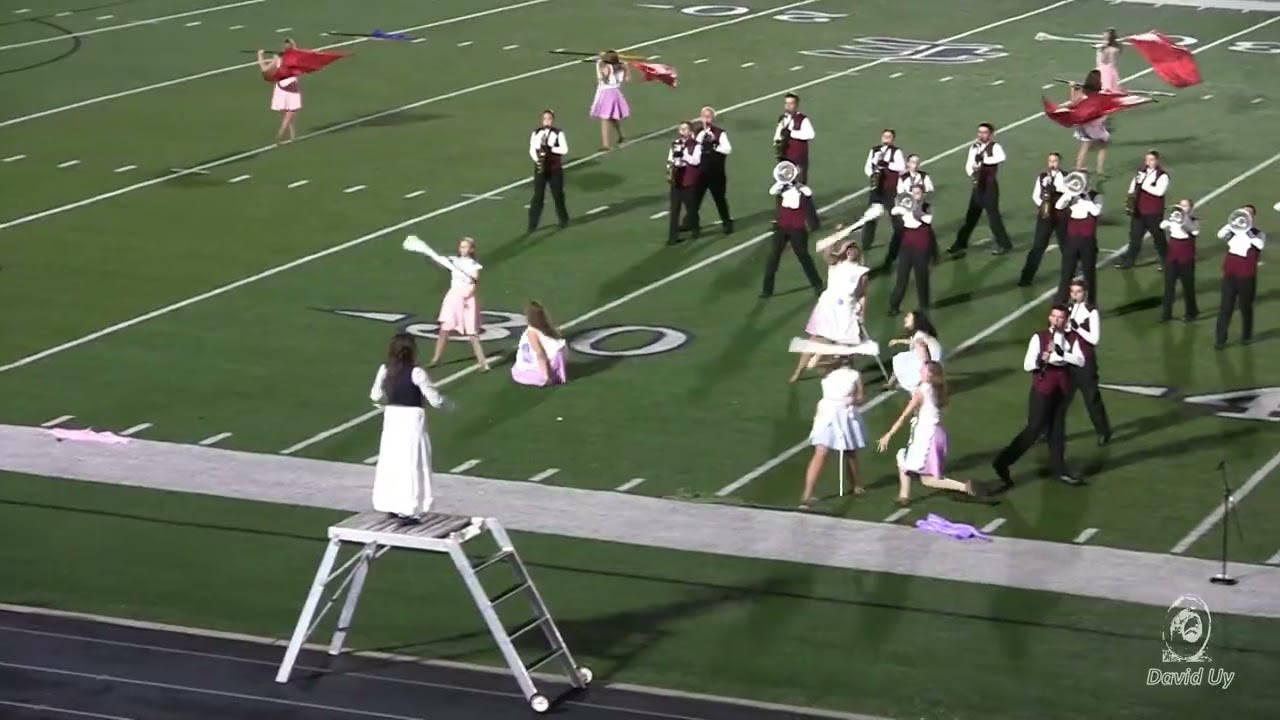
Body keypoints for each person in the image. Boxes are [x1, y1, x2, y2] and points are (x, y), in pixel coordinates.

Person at [992, 305, 1086, 490]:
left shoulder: (1072, 337)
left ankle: (1060, 470)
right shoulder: (1039, 337)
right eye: (1054, 317)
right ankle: (1002, 462)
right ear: (1050, 318)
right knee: (1034, 429)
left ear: (1066, 320)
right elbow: (1027, 365)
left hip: (1062, 387)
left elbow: (1080, 360)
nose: (1057, 320)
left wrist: (1062, 353)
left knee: (1058, 428)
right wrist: (1041, 360)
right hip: (1042, 388)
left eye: (1060, 317)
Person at [369, 333, 449, 521]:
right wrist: (446, 403)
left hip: (392, 419)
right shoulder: (417, 372)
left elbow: (375, 395)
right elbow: (435, 400)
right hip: (412, 420)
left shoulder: (385, 369)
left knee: (391, 461)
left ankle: (390, 504)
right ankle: (411, 507)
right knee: (412, 462)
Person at [878, 361, 977, 504]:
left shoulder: (922, 390)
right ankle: (904, 496)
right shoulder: (938, 388)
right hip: (937, 434)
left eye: (923, 370)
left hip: (926, 436)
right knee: (905, 461)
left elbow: (904, 415)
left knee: (927, 478)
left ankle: (964, 487)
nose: (920, 370)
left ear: (929, 374)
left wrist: (888, 435)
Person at [790, 239, 868, 382]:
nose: (850, 251)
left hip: (847, 310)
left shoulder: (862, 272)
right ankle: (799, 370)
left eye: (853, 249)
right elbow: (825, 252)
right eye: (848, 249)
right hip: (828, 308)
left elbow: (862, 295)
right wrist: (837, 242)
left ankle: (846, 373)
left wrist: (862, 314)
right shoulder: (836, 264)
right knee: (815, 340)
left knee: (846, 345)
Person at [801, 356, 867, 506]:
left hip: (842, 413)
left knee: (845, 451)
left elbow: (860, 398)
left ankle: (856, 485)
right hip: (829, 413)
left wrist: (852, 401)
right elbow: (861, 398)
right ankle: (808, 494)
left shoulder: (851, 374)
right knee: (832, 452)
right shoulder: (830, 371)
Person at [948, 122, 1012, 256]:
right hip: (978, 186)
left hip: (990, 187)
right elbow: (969, 164)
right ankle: (960, 243)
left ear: (990, 134)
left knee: (993, 217)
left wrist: (984, 159)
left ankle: (1004, 244)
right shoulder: (974, 147)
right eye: (980, 132)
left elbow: (1001, 158)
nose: (981, 134)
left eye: (984, 132)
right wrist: (972, 174)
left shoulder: (995, 147)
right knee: (971, 217)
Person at [429, 237, 489, 371]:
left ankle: (482, 362)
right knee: (445, 328)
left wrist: (468, 295)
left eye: (465, 247)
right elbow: (440, 262)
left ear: (471, 249)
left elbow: (475, 282)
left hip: (467, 299)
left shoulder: (474, 265)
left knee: (472, 333)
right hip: (453, 297)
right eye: (461, 247)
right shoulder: (454, 261)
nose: (462, 249)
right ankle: (436, 358)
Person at [761, 169, 824, 298]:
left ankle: (817, 284)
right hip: (782, 226)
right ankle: (767, 289)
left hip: (797, 229)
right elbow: (772, 191)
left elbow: (798, 202)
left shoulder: (803, 189)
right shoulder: (782, 186)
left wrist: (796, 187)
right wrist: (782, 182)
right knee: (773, 257)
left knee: (803, 257)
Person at [1066, 279, 1112, 445]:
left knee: (1091, 399)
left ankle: (1103, 431)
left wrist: (1077, 327)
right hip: (1068, 362)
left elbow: (1095, 339)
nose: (1075, 295)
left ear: (1084, 292)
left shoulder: (1092, 312)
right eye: (1072, 292)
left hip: (1085, 363)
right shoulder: (1069, 309)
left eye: (1078, 292)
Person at [1215, 206, 1266, 349]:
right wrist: (1232, 222)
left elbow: (1259, 245)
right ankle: (1220, 339)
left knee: (1245, 307)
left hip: (1246, 274)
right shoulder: (1232, 231)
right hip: (1230, 272)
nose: (1244, 215)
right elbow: (1220, 234)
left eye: (1248, 213)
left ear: (1253, 217)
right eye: (1242, 212)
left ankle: (1246, 335)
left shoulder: (1258, 234)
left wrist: (1247, 231)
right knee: (1226, 306)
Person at [1019, 152, 1068, 286]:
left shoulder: (1066, 176)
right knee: (1038, 246)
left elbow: (1068, 193)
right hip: (1045, 215)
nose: (1052, 163)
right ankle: (1026, 277)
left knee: (1066, 246)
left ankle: (1071, 274)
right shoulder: (1042, 177)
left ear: (1059, 162)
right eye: (1050, 161)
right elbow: (1035, 195)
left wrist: (1054, 190)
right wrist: (1043, 205)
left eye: (1055, 161)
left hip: (1061, 215)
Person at [1116, 151, 1170, 270]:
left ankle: (1166, 260)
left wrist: (1143, 184)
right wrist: (1131, 194)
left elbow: (1159, 192)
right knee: (1135, 238)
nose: (1149, 162)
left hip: (1153, 212)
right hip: (1139, 212)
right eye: (1147, 160)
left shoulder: (1163, 176)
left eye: (1152, 160)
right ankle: (1129, 261)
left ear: (1157, 161)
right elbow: (1133, 185)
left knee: (1158, 238)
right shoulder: (1141, 173)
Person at [888, 184, 937, 315]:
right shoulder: (905, 207)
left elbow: (927, 220)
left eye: (918, 193)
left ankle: (924, 305)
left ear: (923, 195)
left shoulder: (927, 207)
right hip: (906, 247)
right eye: (913, 193)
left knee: (921, 277)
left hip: (922, 247)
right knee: (902, 278)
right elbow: (895, 217)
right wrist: (899, 211)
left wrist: (915, 210)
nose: (915, 195)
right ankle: (894, 306)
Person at [1055, 172, 1102, 306]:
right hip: (1072, 239)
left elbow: (1096, 211)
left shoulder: (1096, 196)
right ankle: (1061, 301)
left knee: (1089, 273)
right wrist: (1069, 194)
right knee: (1067, 272)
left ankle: (1091, 303)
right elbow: (1058, 206)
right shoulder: (1070, 196)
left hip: (1088, 241)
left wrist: (1085, 197)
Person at [883, 153, 934, 269]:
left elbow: (930, 190)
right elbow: (901, 193)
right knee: (899, 233)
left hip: (921, 208)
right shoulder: (903, 178)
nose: (915, 165)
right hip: (907, 209)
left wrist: (921, 197)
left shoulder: (924, 176)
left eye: (917, 162)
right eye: (912, 162)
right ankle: (889, 260)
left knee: (927, 232)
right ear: (908, 164)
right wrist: (911, 199)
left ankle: (931, 255)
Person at [861, 128, 906, 254]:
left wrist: (886, 164)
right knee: (870, 216)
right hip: (876, 189)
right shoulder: (874, 150)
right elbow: (867, 167)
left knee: (895, 216)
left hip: (890, 190)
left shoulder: (896, 152)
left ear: (893, 140)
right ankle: (866, 242)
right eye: (884, 136)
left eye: (889, 137)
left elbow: (901, 168)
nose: (886, 139)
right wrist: (873, 174)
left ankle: (902, 239)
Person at [691, 106, 734, 234]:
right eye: (704, 116)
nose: (706, 119)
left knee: (719, 199)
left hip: (716, 172)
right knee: (695, 200)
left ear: (713, 118)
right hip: (700, 172)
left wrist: (714, 146)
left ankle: (727, 223)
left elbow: (728, 149)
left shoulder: (720, 133)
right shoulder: (696, 133)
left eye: (708, 116)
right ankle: (692, 224)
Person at [527, 109, 570, 232]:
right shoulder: (536, 133)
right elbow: (531, 149)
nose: (547, 121)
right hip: (541, 169)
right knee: (538, 196)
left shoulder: (558, 133)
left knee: (558, 195)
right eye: (545, 119)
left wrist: (550, 149)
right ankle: (532, 224)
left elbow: (564, 149)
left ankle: (563, 220)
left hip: (554, 169)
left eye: (549, 119)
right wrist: (538, 161)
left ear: (553, 120)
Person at [1159, 199, 1200, 322]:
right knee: (1168, 286)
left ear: (1191, 208)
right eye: (1180, 205)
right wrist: (1170, 221)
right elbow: (1162, 225)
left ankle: (1191, 312)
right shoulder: (1173, 218)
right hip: (1172, 256)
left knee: (1187, 286)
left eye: (1185, 206)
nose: (1182, 207)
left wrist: (1184, 220)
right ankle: (1166, 314)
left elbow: (1195, 232)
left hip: (1186, 257)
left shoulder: (1194, 221)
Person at [512, 301, 568, 386]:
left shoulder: (532, 332)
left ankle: (550, 374)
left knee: (522, 373)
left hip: (553, 360)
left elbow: (540, 354)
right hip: (560, 356)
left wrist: (546, 376)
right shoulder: (545, 325)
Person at [1068, 70, 1112, 175]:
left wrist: (1072, 88)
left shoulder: (1083, 92)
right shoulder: (1099, 93)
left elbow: (1073, 101)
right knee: (1102, 145)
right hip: (1095, 122)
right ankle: (1100, 169)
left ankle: (1079, 167)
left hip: (1085, 122)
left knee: (1085, 145)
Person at [257, 40, 301, 144]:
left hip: (281, 88)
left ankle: (292, 136)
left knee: (288, 114)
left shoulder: (279, 60)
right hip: (291, 89)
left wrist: (260, 55)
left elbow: (264, 69)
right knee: (289, 114)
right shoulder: (294, 59)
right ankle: (280, 135)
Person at [666, 121, 703, 245]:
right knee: (674, 211)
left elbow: (696, 161)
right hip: (677, 182)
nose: (682, 131)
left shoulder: (696, 145)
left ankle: (695, 229)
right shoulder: (674, 144)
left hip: (689, 183)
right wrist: (670, 169)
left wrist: (684, 155)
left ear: (690, 131)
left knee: (691, 209)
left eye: (685, 129)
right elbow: (670, 159)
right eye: (681, 129)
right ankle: (673, 237)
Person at [887, 310, 943, 391]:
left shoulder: (919, 334)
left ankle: (891, 383)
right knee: (904, 359)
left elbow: (917, 343)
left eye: (909, 317)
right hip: (934, 362)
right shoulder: (919, 334)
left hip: (932, 362)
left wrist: (898, 341)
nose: (905, 319)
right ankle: (890, 383)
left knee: (902, 359)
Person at [590, 50, 630, 150]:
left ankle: (606, 144)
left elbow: (602, 77)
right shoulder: (621, 67)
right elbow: (625, 72)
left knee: (605, 119)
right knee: (612, 117)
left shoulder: (605, 67)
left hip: (607, 94)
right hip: (615, 92)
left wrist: (601, 59)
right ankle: (621, 135)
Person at [773, 93, 815, 181]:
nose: (788, 106)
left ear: (796, 105)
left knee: (799, 183)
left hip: (798, 157)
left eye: (791, 103)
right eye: (786, 103)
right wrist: (777, 141)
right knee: (784, 183)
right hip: (785, 156)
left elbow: (811, 135)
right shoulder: (782, 118)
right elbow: (779, 133)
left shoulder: (802, 119)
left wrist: (791, 133)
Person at [1096, 28, 1123, 92]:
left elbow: (1103, 60)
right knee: (1113, 88)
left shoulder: (1105, 49)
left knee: (1106, 89)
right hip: (1112, 70)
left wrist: (1101, 50)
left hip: (1104, 71)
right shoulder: (1116, 48)